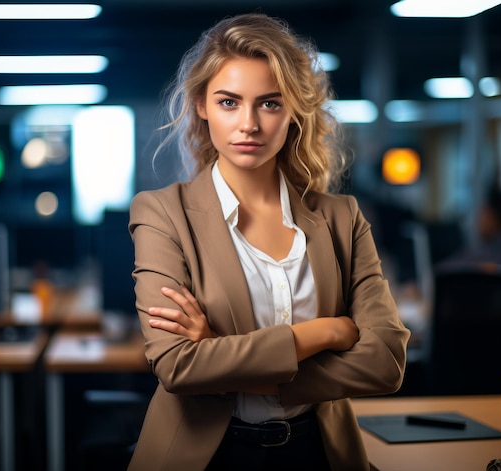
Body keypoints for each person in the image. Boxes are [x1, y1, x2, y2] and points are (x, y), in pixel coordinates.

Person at [127, 13, 410, 471]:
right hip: (204, 456)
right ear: (201, 105)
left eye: (270, 103)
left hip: (319, 451)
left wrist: (226, 356)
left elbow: (384, 363)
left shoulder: (342, 218)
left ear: (294, 109)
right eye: (229, 102)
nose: (249, 124)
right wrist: (322, 333)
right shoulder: (162, 213)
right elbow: (179, 367)